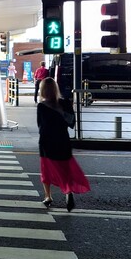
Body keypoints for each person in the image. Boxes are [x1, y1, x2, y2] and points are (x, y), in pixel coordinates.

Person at [36, 77, 90, 211]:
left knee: (46, 170)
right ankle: (68, 192)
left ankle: (48, 197)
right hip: (63, 140)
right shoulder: (65, 103)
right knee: (64, 169)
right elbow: (71, 123)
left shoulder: (42, 106)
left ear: (42, 90)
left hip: (47, 142)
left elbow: (40, 126)